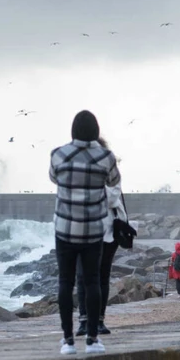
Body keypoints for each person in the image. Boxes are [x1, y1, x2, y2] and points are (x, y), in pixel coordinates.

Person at [49, 110, 121, 355]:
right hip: (92, 231)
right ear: (96, 132)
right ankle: (92, 340)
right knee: (92, 282)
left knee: (66, 282)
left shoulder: (58, 155)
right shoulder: (106, 157)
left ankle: (68, 341)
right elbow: (113, 182)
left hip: (65, 230)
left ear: (73, 130)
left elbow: (53, 178)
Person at [76, 136, 126, 337]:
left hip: (108, 230)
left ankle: (99, 321)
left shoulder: (110, 168)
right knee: (82, 277)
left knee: (102, 276)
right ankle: (83, 321)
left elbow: (113, 197)